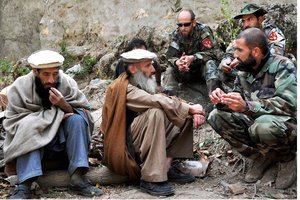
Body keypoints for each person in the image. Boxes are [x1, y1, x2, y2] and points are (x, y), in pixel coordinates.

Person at [100, 49, 205, 196]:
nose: (154, 69)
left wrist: (191, 110)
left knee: (182, 113)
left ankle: (167, 167)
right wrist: (189, 108)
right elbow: (154, 100)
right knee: (156, 112)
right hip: (124, 149)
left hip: (138, 141)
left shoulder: (141, 81)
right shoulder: (122, 88)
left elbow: (164, 98)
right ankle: (151, 178)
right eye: (148, 65)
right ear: (133, 68)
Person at [3, 50, 103, 198]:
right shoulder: (20, 87)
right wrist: (54, 118)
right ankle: (24, 184)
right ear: (35, 71)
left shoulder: (67, 83)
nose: (51, 79)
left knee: (77, 119)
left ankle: (76, 178)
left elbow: (86, 112)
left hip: (62, 147)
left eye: (55, 74)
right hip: (34, 149)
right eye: (46, 74)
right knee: (29, 125)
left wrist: (64, 105)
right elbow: (14, 121)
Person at [208, 28, 296, 189]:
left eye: (239, 50)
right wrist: (223, 100)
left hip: (285, 127)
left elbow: (289, 104)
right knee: (215, 116)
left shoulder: (283, 65)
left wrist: (248, 106)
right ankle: (263, 157)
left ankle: (287, 159)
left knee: (263, 125)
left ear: (255, 51)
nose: (235, 55)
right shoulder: (243, 70)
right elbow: (237, 96)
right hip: (256, 124)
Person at [219, 3, 286, 92]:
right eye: (243, 21)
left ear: (260, 19)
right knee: (223, 70)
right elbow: (230, 51)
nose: (246, 24)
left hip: (268, 69)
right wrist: (226, 61)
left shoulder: (271, 32)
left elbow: (276, 54)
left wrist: (243, 60)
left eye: (249, 19)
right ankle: (233, 97)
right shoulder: (244, 34)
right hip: (250, 68)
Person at [163, 9, 223, 96]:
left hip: (202, 70)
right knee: (170, 70)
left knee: (210, 64)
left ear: (194, 22)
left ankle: (216, 98)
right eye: (180, 25)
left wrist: (194, 57)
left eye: (186, 24)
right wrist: (178, 63)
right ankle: (170, 101)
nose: (183, 28)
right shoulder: (175, 35)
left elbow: (214, 53)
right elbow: (169, 57)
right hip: (185, 71)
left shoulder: (203, 31)